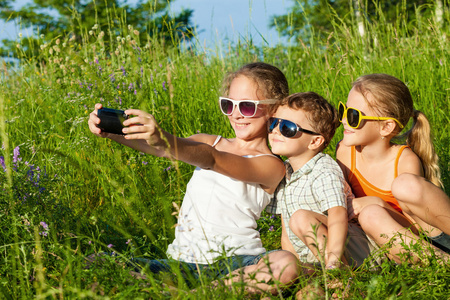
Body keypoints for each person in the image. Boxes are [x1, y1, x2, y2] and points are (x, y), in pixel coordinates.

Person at [87, 62, 302, 293]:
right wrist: (113, 132)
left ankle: (198, 294)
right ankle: (184, 291)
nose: (236, 114)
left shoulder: (271, 164)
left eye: (247, 107)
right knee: (94, 262)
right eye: (229, 105)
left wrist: (163, 139)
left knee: (285, 264)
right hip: (181, 263)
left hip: (237, 262)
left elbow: (213, 160)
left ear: (273, 109)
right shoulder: (210, 141)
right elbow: (162, 149)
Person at [336, 73, 450, 263]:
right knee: (370, 215)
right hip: (395, 242)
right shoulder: (345, 152)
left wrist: (379, 203)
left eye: (354, 116)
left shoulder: (404, 160)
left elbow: (416, 225)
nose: (344, 120)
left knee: (404, 186)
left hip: (430, 235)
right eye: (343, 110)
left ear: (386, 127)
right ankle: (442, 264)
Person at [266, 92, 375, 270]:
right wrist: (297, 269)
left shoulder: (323, 169)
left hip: (350, 250)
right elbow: (286, 233)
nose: (275, 130)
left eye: (287, 127)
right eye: (273, 123)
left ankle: (342, 276)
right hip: (316, 258)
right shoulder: (283, 172)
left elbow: (338, 217)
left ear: (315, 141)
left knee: (300, 218)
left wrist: (333, 263)